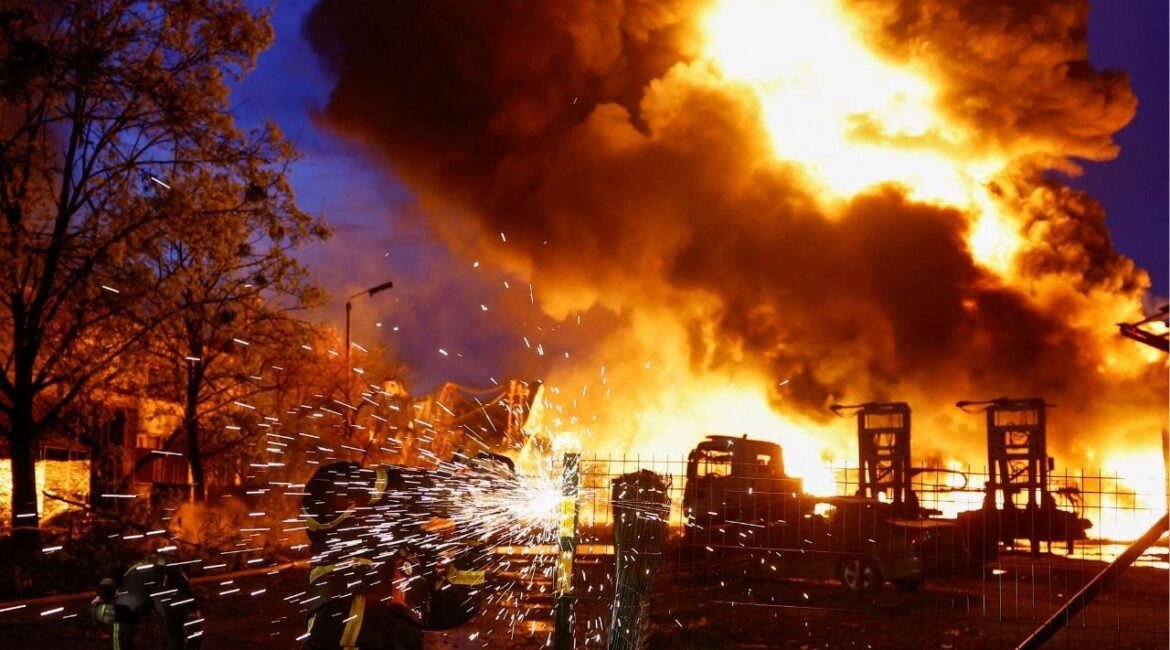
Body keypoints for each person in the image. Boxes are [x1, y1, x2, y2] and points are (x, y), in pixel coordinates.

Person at [300, 461, 494, 650]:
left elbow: (450, 611)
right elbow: (337, 485)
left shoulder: (414, 552)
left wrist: (475, 543)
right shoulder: (336, 528)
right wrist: (431, 487)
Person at [90, 552, 202, 649]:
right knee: (175, 631)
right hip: (167, 584)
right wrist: (194, 645)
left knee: (121, 624)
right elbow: (194, 615)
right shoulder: (178, 571)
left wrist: (102, 596)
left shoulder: (132, 566)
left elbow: (110, 577)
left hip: (134, 586)